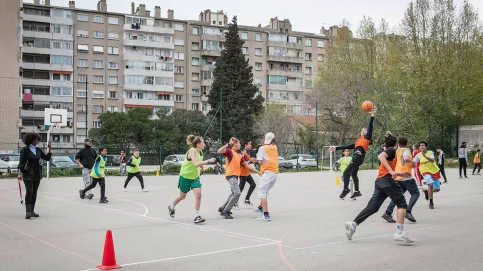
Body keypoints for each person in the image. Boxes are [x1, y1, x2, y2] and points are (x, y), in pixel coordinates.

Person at [344, 132, 415, 243]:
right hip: (387, 181)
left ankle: (353, 224)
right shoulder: (391, 150)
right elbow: (381, 157)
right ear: (395, 144)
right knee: (402, 203)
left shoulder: (387, 151)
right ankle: (399, 232)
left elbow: (385, 166)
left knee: (374, 207)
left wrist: (401, 174)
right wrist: (392, 171)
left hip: (380, 181)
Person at [168, 135, 216, 224]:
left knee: (198, 195)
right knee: (182, 197)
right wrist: (208, 161)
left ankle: (196, 215)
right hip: (185, 177)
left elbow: (199, 162)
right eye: (203, 142)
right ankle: (171, 206)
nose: (204, 144)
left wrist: (202, 167)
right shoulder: (192, 151)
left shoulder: (200, 152)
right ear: (198, 144)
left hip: (195, 177)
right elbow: (195, 163)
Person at [330, 108, 375, 199]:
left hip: (358, 157)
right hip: (356, 158)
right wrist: (336, 148)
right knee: (354, 174)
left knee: (346, 173)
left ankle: (346, 189)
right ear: (360, 132)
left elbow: (370, 127)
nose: (364, 131)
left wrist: (372, 116)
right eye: (362, 130)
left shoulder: (367, 138)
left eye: (365, 131)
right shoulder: (359, 140)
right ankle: (357, 191)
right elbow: (349, 146)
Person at [217, 137, 260, 219]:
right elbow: (219, 151)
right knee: (237, 193)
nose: (240, 145)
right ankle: (225, 211)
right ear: (235, 144)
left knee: (234, 193)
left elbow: (247, 165)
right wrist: (228, 144)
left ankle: (223, 208)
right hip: (231, 175)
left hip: (235, 176)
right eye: (239, 143)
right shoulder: (230, 151)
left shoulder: (239, 155)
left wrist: (257, 171)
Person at [381, 137, 420, 223]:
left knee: (398, 196)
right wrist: (413, 162)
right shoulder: (406, 150)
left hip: (398, 176)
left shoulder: (396, 151)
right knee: (415, 193)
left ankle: (388, 212)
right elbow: (406, 158)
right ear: (407, 144)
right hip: (406, 176)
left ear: (398, 144)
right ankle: (408, 211)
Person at [17, 133, 52, 219]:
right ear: (30, 140)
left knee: (34, 192)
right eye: (36, 139)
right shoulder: (25, 150)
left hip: (37, 173)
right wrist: (20, 173)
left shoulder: (38, 150)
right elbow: (22, 162)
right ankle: (28, 211)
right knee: (29, 191)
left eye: (38, 139)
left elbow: (47, 158)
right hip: (27, 173)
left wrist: (49, 149)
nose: (37, 141)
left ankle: (32, 211)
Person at [255, 132, 279, 222]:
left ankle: (266, 215)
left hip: (267, 173)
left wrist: (257, 158)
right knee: (265, 192)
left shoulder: (262, 148)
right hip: (275, 173)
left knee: (262, 193)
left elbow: (260, 162)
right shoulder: (275, 148)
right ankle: (261, 208)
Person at [413, 142, 441, 209]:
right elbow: (413, 162)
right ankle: (431, 203)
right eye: (420, 146)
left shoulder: (430, 152)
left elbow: (432, 160)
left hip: (434, 171)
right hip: (425, 171)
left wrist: (424, 155)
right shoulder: (418, 155)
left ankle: (426, 192)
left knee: (437, 189)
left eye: (423, 145)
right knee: (430, 184)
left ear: (426, 147)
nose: (421, 147)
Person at [238, 140, 257, 207]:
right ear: (245, 145)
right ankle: (234, 202)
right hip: (242, 173)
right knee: (240, 188)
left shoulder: (248, 152)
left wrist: (252, 161)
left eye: (250, 144)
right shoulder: (243, 153)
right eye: (249, 144)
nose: (250, 145)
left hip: (247, 173)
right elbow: (241, 163)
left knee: (253, 185)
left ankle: (246, 199)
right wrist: (250, 160)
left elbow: (247, 162)